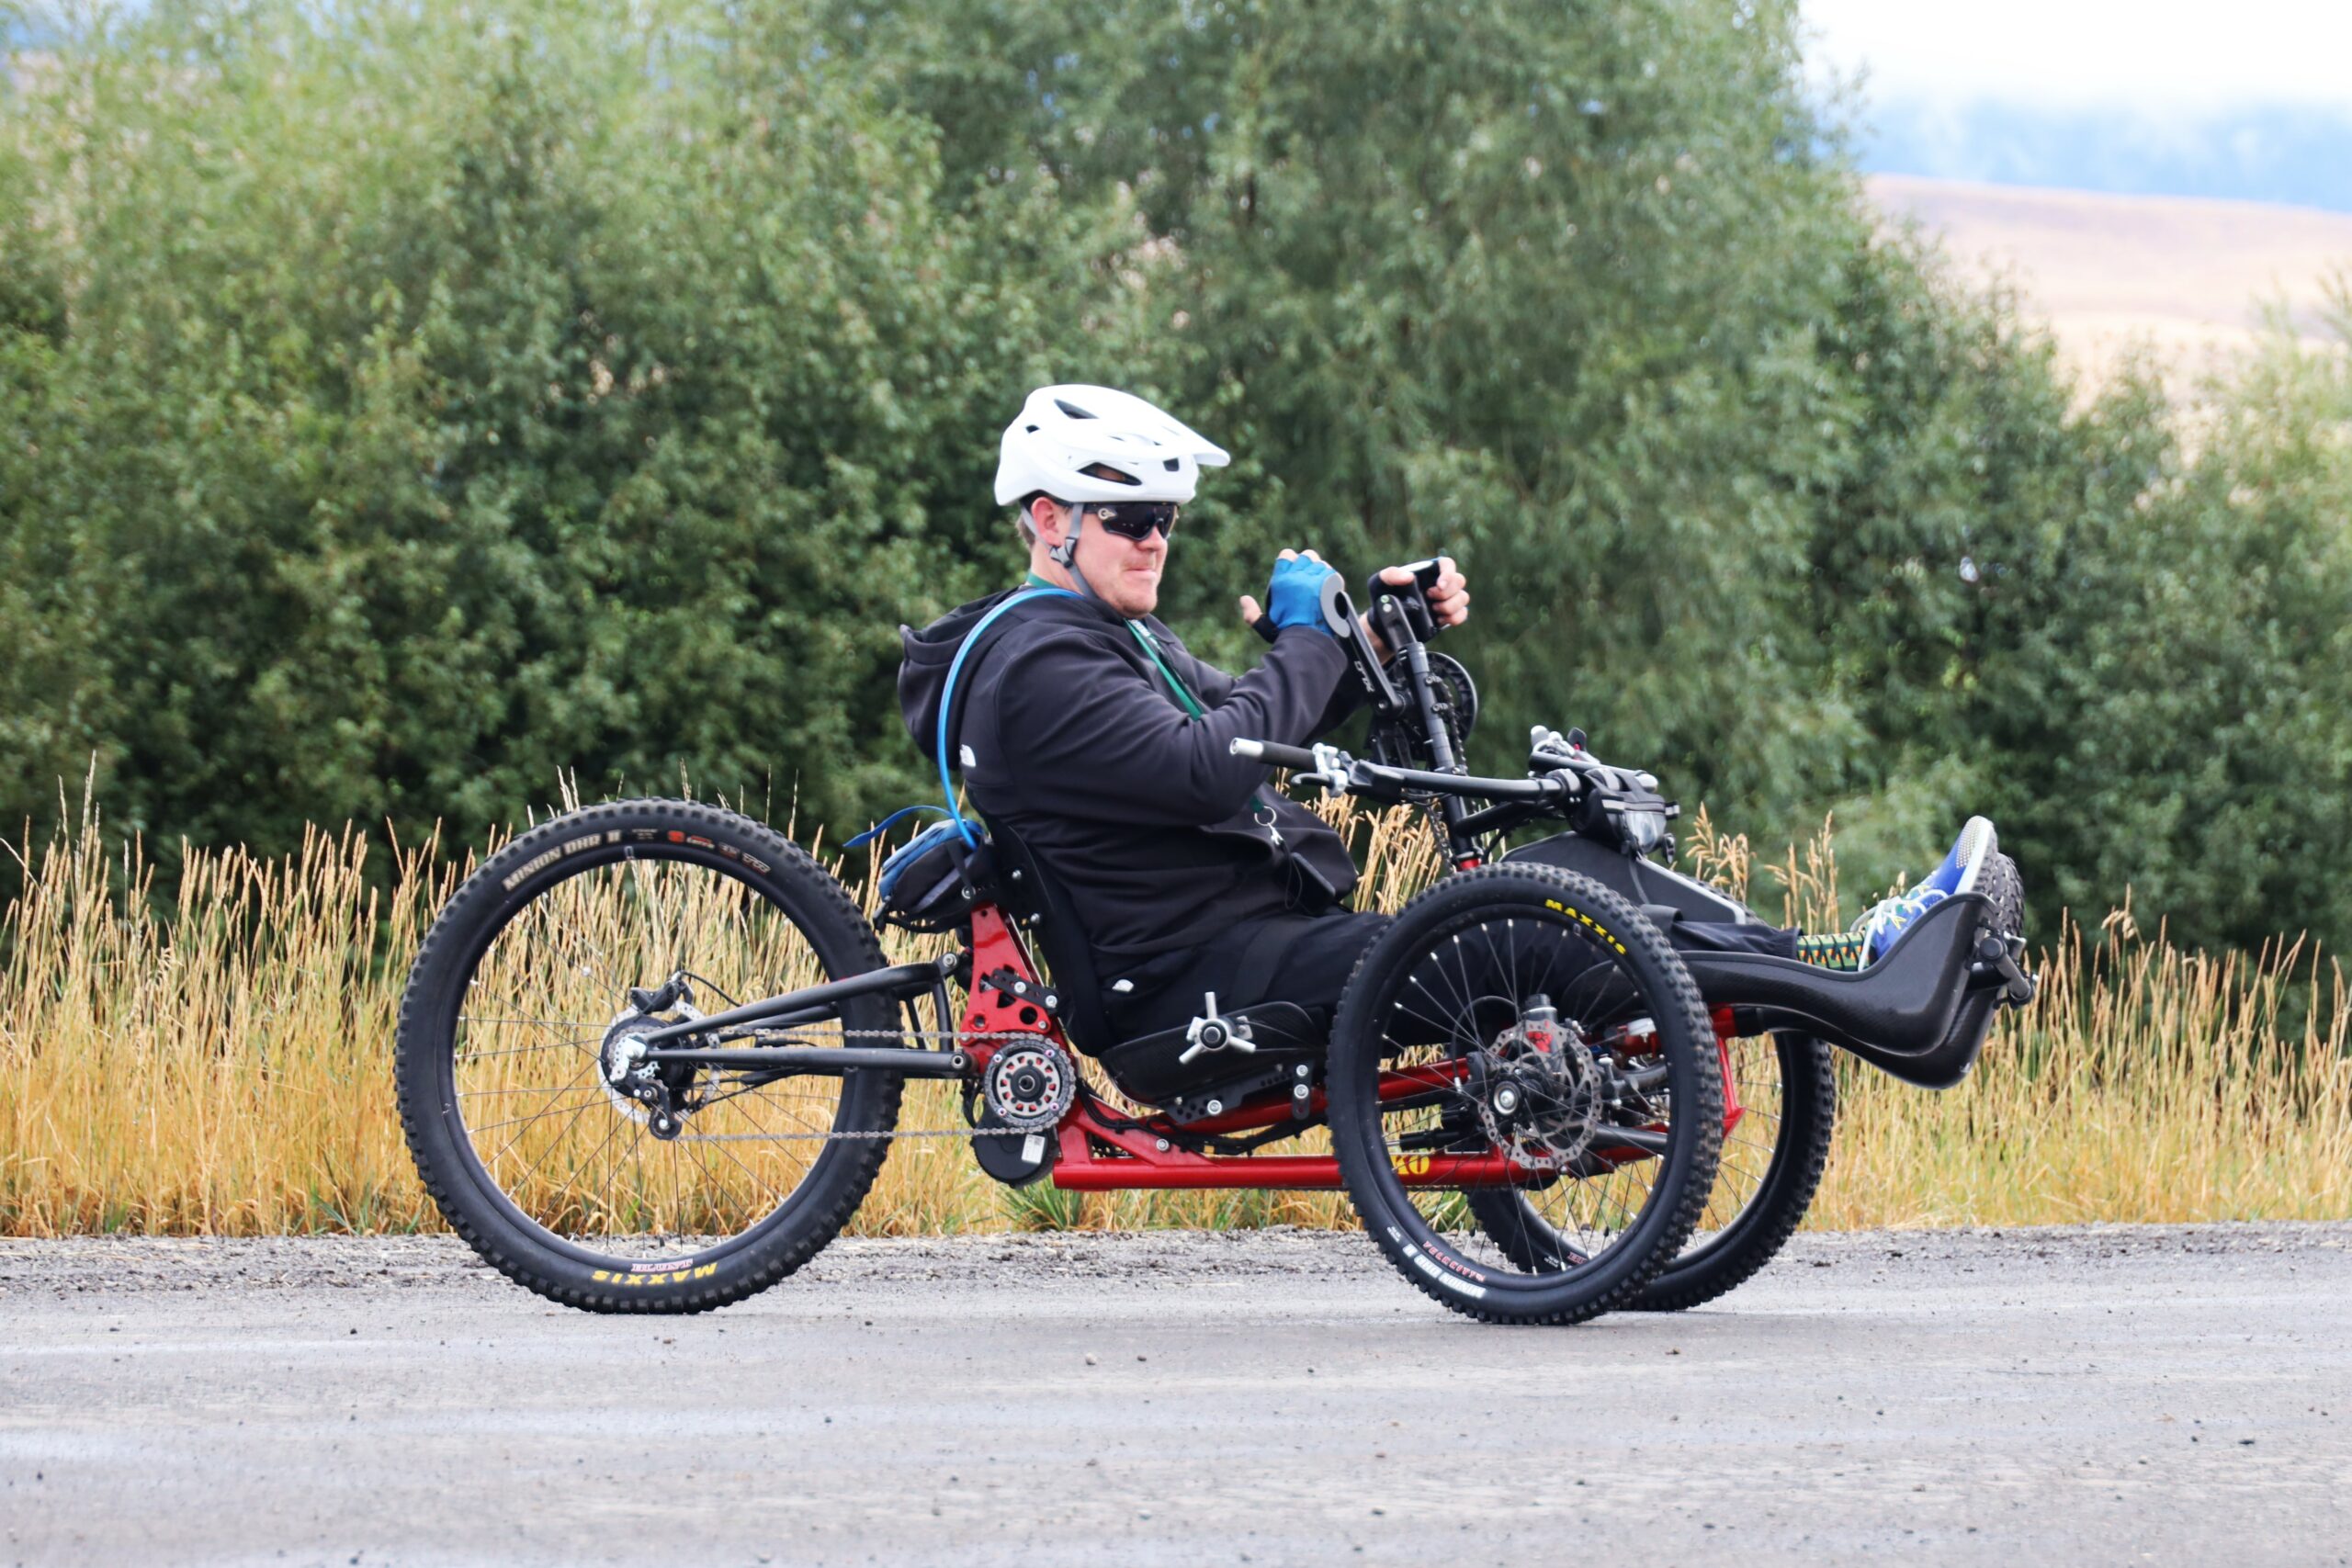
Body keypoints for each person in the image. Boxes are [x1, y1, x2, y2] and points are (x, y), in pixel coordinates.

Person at [897, 385, 1464, 1045]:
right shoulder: (1039, 667)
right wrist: (1307, 643)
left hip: (1244, 944)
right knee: (1515, 944)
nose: (1155, 542)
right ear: (1051, 522)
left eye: (1165, 517)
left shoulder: (1110, 629)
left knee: (1519, 926)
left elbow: (1242, 720)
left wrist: (1370, 637)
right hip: (1188, 982)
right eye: (1129, 518)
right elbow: (1209, 768)